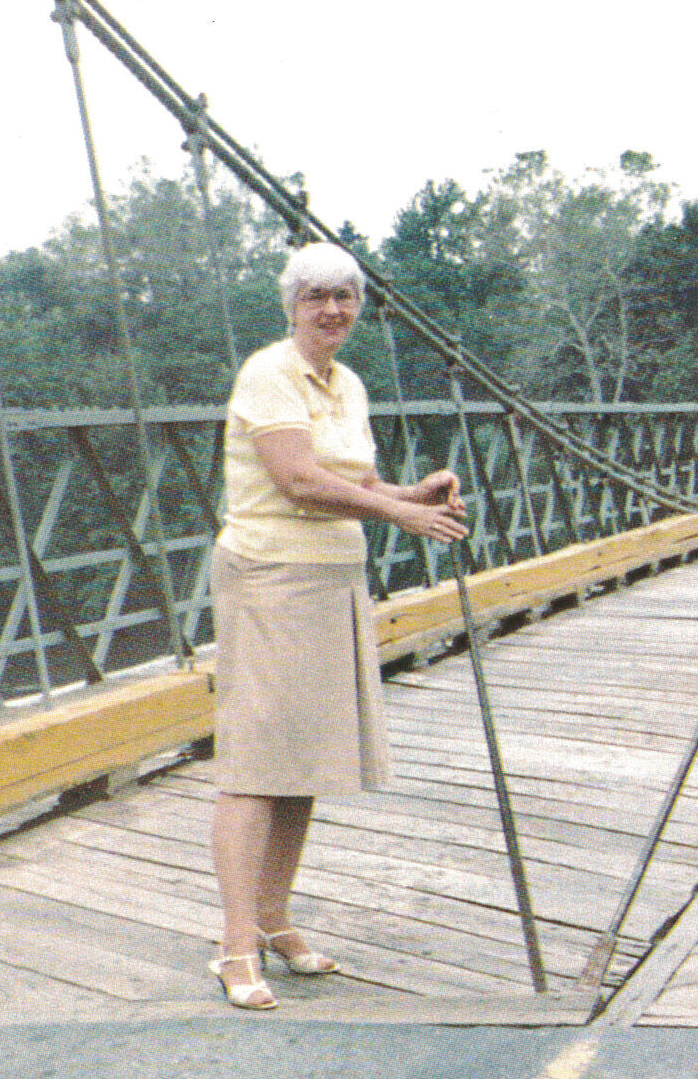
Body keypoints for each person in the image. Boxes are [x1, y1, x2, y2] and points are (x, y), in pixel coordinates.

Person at [208, 241, 468, 1009]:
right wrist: (397, 514)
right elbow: (296, 480)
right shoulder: (269, 372)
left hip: (331, 580)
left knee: (305, 762)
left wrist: (415, 493)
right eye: (316, 295)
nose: (332, 309)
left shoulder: (346, 381)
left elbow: (355, 481)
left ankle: (273, 916)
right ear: (291, 305)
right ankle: (233, 945)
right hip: (268, 578)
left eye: (345, 297)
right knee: (256, 763)